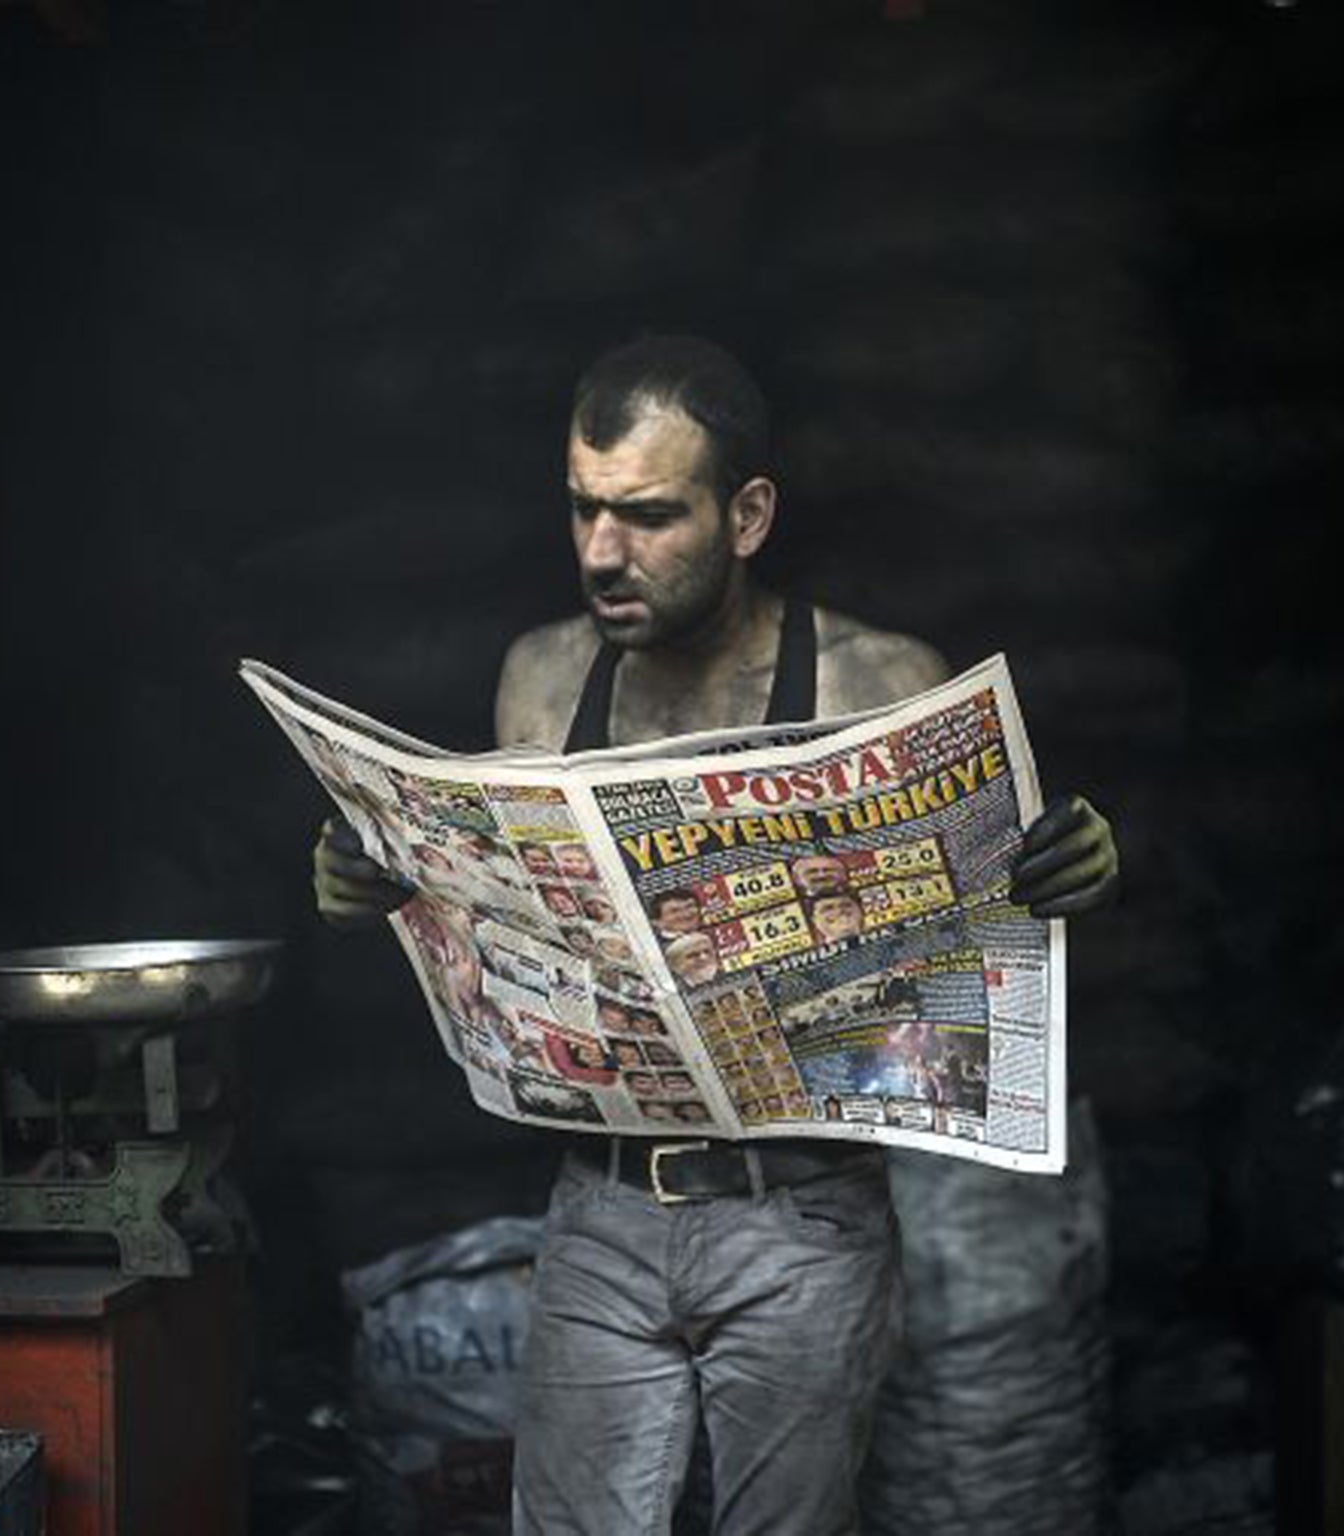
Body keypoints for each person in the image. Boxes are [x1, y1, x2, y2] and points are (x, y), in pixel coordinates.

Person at [312, 334, 1119, 1535]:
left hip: (800, 1218)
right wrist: (375, 879)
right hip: (599, 1206)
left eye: (645, 516)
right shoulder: (537, 680)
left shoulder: (877, 680)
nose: (600, 553)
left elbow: (983, 931)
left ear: (745, 516)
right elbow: (500, 930)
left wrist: (1067, 873)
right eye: (582, 510)